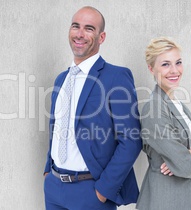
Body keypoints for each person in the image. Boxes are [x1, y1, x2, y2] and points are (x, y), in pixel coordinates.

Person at [43, 6, 142, 210]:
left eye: (89, 28)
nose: (80, 34)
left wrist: (104, 190)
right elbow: (57, 127)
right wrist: (47, 171)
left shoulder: (116, 77)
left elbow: (131, 139)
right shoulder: (62, 79)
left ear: (101, 37)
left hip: (90, 192)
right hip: (53, 189)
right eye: (75, 26)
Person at [136, 37, 191, 210]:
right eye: (165, 64)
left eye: (178, 62)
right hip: (165, 199)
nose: (174, 70)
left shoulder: (180, 107)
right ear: (151, 69)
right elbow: (185, 165)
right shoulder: (154, 108)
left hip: (186, 198)